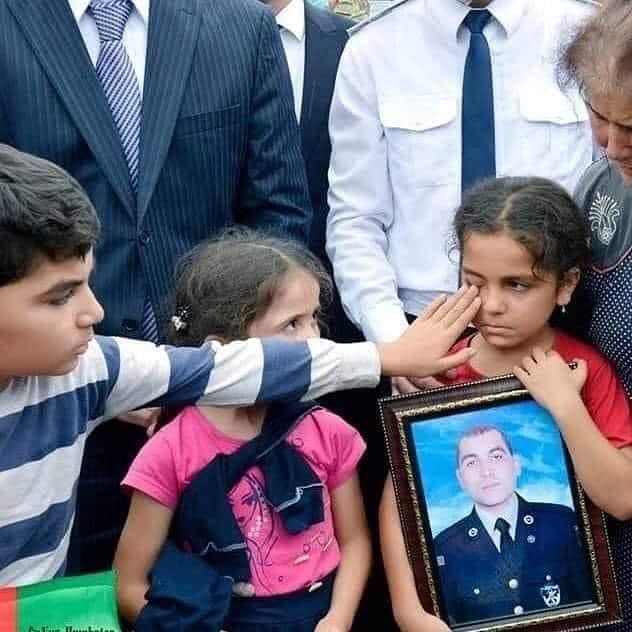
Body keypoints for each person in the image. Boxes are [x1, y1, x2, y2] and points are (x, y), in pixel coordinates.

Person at [0, 144, 481, 588]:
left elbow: (242, 368)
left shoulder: (94, 369)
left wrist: (383, 357)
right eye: (60, 296)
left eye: (87, 284)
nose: (94, 311)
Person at [0, 0, 315, 571]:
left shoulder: (239, 27)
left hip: (217, 405)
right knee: (62, 595)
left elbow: (277, 218)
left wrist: (217, 361)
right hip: (53, 406)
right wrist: (96, 367)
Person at [379, 176, 632, 631]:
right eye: (474, 283)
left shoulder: (584, 370)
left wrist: (566, 405)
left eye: (517, 285)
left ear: (566, 284)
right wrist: (409, 609)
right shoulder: (439, 368)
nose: (492, 305)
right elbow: (402, 496)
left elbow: (623, 499)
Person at [326, 0, 595, 394]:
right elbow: (355, 219)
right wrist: (396, 344)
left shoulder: (583, 32)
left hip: (559, 329)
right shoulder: (374, 48)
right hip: (421, 328)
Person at [114, 232, 371, 630]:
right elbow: (129, 584)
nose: (315, 340)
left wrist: (338, 619)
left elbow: (355, 541)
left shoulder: (325, 430)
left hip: (320, 615)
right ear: (224, 352)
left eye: (314, 319)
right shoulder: (170, 450)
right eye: (291, 325)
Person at [557, 2, 632, 627]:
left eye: (631, 126)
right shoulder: (599, 188)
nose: (610, 144)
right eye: (597, 116)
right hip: (604, 487)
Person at [433, 425, 591, 625]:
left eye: (496, 456)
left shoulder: (561, 523)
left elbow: (590, 605)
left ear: (516, 465)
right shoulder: (446, 549)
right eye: (471, 462)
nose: (486, 471)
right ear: (460, 479)